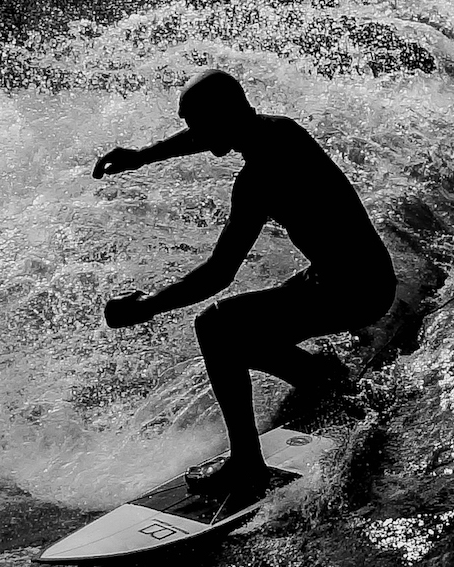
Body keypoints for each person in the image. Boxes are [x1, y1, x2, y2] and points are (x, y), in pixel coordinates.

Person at [95, 69, 396, 513]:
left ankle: (247, 464)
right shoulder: (278, 129)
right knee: (244, 333)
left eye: (199, 123)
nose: (194, 135)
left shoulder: (260, 177)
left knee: (217, 326)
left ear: (226, 118)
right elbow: (211, 135)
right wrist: (143, 156)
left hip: (354, 290)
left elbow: (219, 273)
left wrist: (148, 305)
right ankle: (321, 378)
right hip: (361, 277)